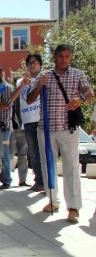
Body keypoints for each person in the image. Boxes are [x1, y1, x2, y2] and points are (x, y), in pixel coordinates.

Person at [27, 44, 93, 223]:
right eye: (60, 56)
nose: (64, 59)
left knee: (71, 167)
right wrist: (40, 85)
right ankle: (52, 200)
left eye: (67, 56)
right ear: (54, 57)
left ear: (70, 57)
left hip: (68, 128)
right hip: (46, 128)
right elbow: (29, 98)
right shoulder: (44, 75)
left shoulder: (78, 74)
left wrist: (80, 99)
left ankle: (73, 207)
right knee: (48, 165)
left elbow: (89, 92)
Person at [11, 54, 45, 192]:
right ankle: (39, 182)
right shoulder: (21, 81)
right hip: (28, 122)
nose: (32, 65)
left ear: (40, 64)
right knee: (34, 154)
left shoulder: (47, 78)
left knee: (45, 152)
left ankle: (48, 183)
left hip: (43, 120)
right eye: (29, 63)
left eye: (35, 62)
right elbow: (13, 98)